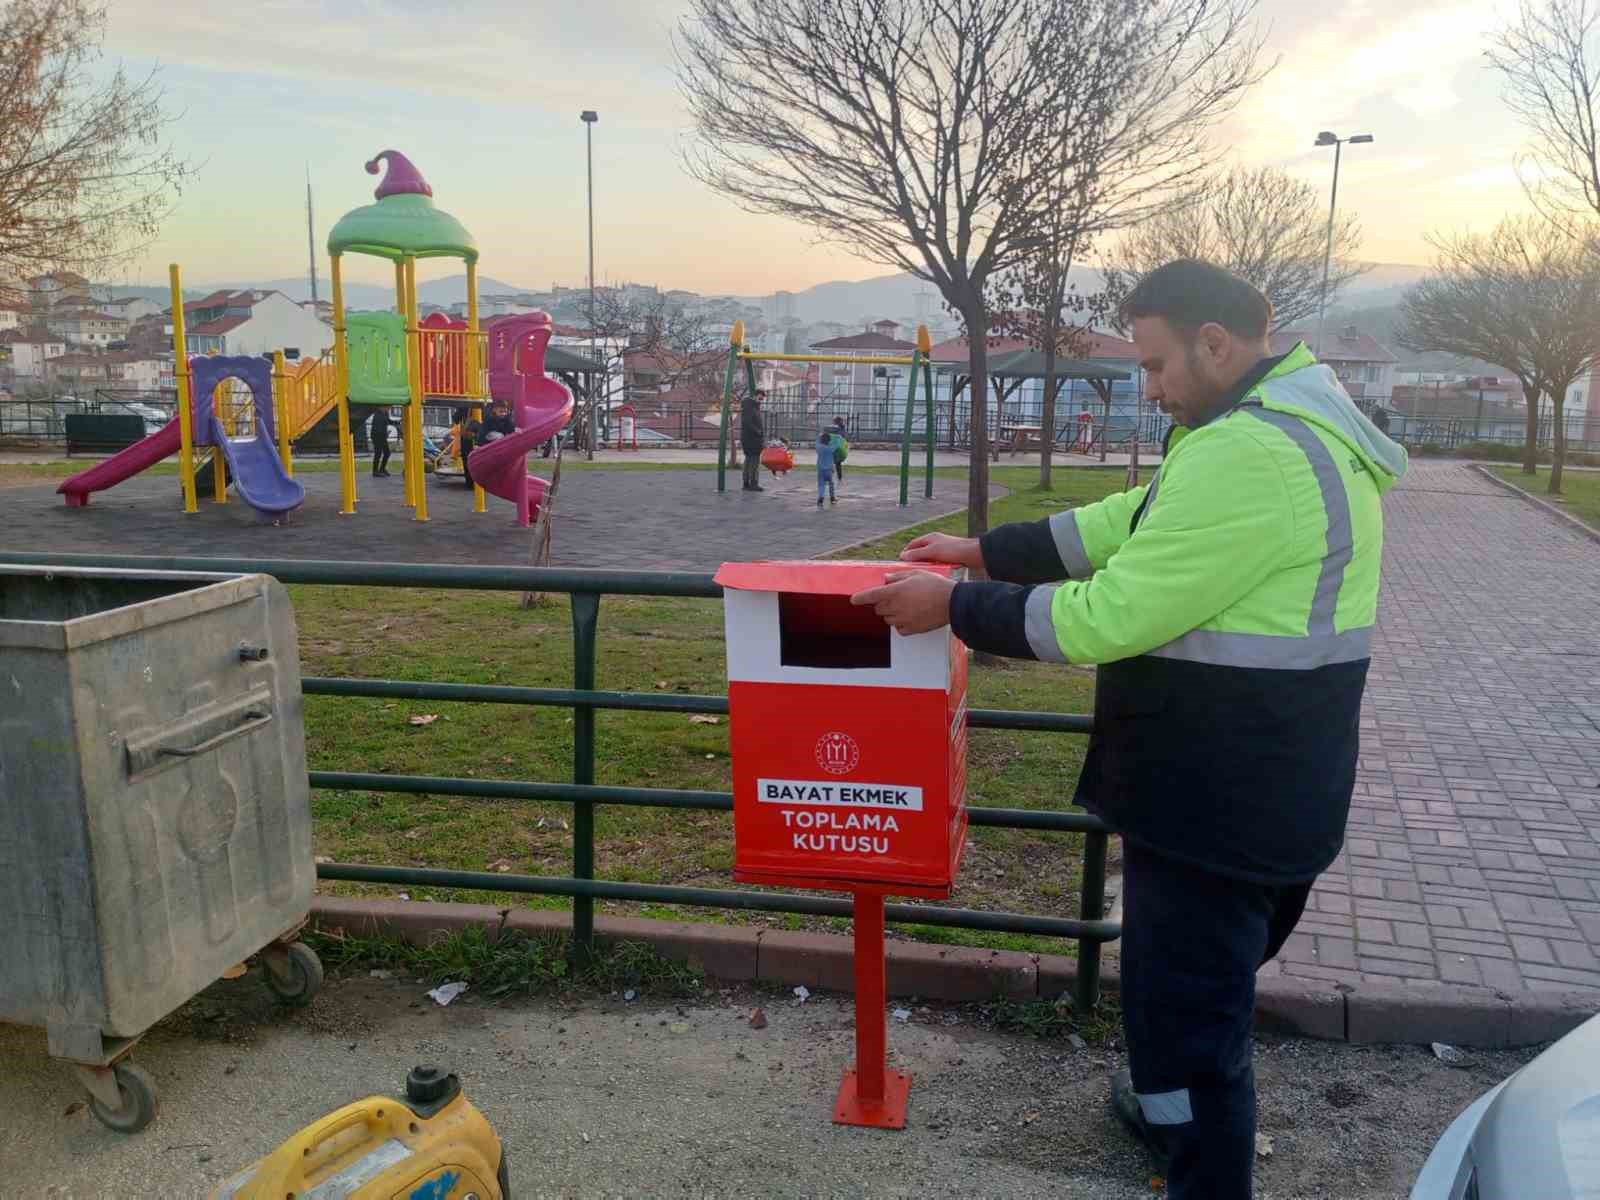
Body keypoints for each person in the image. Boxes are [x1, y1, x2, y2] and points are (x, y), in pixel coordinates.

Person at [848, 259, 1408, 1200]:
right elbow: (1131, 521)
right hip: (1266, 789)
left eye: (1154, 366)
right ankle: (1163, 1109)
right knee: (1192, 1003)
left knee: (1190, 1029)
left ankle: (1200, 1168)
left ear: (1216, 345)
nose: (1146, 388)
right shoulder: (1273, 426)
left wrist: (956, 605)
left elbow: (1106, 614)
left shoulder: (1251, 453)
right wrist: (987, 547)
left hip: (1215, 806)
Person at [740, 389, 766, 492]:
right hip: (752, 439)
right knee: (754, 461)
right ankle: (753, 483)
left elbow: (748, 421)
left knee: (748, 460)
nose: (761, 400)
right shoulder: (751, 407)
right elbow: (747, 422)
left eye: (762, 399)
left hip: (749, 438)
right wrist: (758, 432)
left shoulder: (751, 406)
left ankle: (746, 483)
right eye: (760, 398)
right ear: (756, 396)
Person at [369, 406, 393, 478]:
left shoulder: (385, 413)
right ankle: (375, 471)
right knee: (378, 453)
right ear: (382, 407)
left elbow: (387, 421)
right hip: (377, 436)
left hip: (382, 436)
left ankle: (382, 469)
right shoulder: (377, 415)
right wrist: (386, 433)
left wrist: (397, 422)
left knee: (387, 452)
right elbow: (378, 427)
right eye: (387, 408)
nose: (388, 409)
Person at [815, 429, 837, 508]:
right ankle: (832, 498)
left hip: (820, 469)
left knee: (821, 485)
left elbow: (817, 441)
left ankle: (821, 498)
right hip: (829, 470)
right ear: (829, 441)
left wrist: (819, 436)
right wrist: (835, 437)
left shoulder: (819, 447)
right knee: (831, 484)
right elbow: (836, 444)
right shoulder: (830, 448)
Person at [830, 416, 849, 484]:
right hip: (834, 447)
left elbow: (843, 436)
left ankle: (839, 478)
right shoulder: (834, 428)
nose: (834, 422)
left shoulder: (840, 428)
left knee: (836, 464)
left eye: (835, 421)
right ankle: (836, 478)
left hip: (838, 448)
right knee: (833, 463)